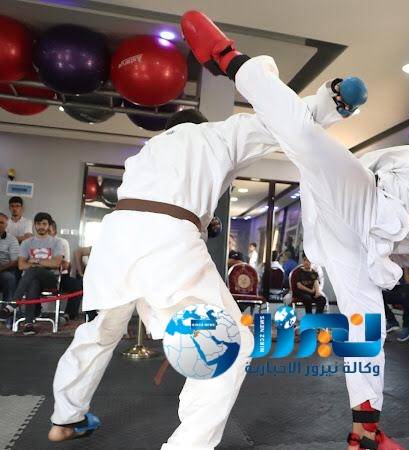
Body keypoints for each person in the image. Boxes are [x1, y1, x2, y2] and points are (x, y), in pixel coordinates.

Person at [181, 11, 409, 449]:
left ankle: (365, 429)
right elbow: (375, 163)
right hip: (361, 196)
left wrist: (377, 255)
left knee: (368, 331)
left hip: (364, 251)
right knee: (305, 138)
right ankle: (229, 59)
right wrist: (339, 177)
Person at [47, 66, 353, 447]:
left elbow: (168, 200)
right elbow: (280, 119)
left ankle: (65, 418)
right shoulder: (214, 135)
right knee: (232, 343)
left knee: (99, 332)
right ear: (200, 124)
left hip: (115, 238)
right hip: (166, 239)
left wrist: (202, 220)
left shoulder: (149, 151)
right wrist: (330, 101)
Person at [13, 212, 64, 335]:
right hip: (32, 279)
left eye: (44, 224)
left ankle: (13, 303)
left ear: (49, 225)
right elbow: (21, 265)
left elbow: (56, 263)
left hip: (50, 279)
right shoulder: (27, 243)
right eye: (38, 224)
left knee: (33, 270)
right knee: (33, 283)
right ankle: (29, 324)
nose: (41, 226)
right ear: (34, 225)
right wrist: (46, 262)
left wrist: (35, 261)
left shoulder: (57, 242)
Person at [0, 213, 20, 309]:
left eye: (1, 222)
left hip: (5, 270)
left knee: (9, 278)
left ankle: (6, 312)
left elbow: (15, 262)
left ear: (6, 225)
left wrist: (1, 268)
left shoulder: (12, 239)